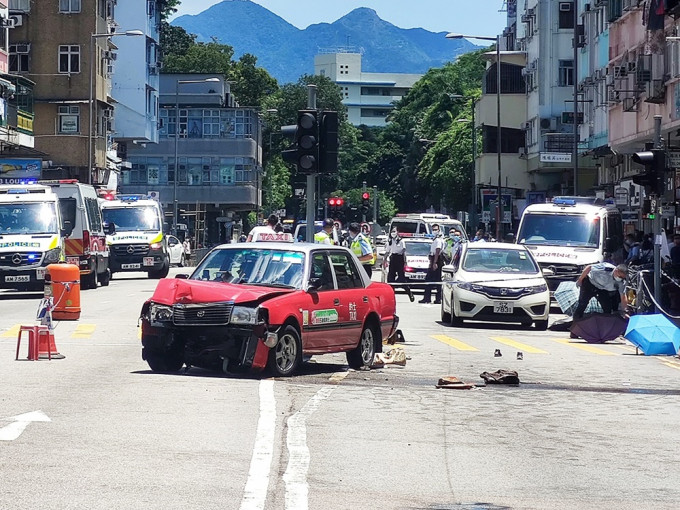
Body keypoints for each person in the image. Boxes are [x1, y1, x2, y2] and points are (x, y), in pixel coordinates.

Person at [419, 223, 445, 304]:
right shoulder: (435, 239)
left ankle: (435, 298)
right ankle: (428, 298)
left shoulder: (438, 240)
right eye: (433, 230)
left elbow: (437, 251)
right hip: (433, 259)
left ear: (439, 230)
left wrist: (434, 263)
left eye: (436, 229)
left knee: (433, 280)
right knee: (432, 280)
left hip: (436, 259)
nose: (434, 231)